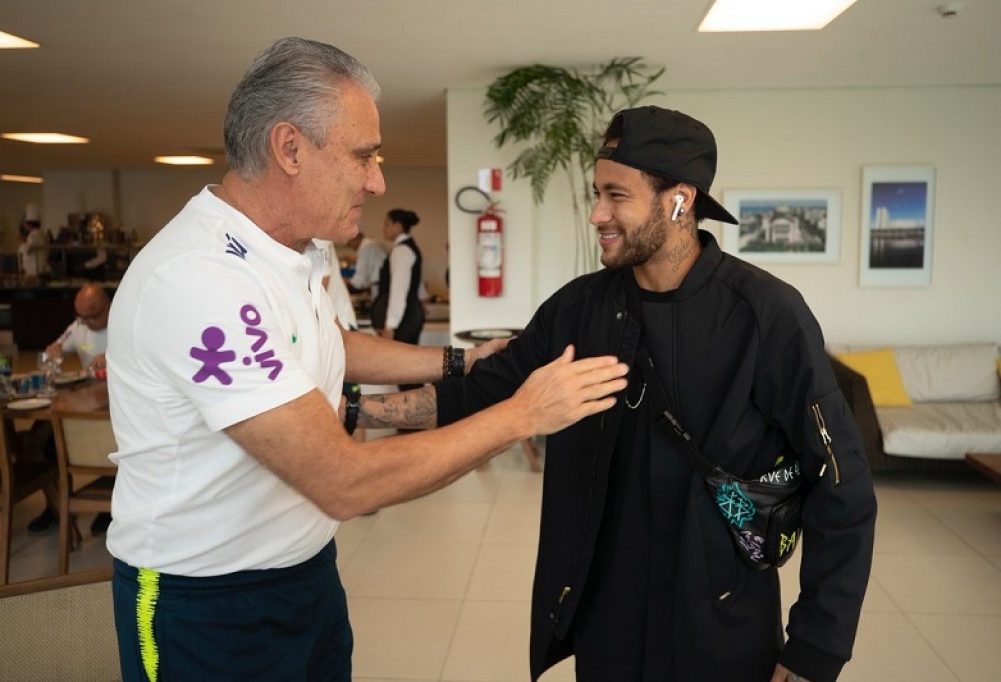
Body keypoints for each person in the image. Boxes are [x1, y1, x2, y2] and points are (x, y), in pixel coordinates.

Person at [105, 37, 627, 682]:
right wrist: (523, 415)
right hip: (207, 599)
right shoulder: (199, 280)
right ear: (289, 148)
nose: (378, 181)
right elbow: (345, 481)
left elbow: (328, 343)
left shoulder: (297, 250)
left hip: (306, 568)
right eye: (363, 156)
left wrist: (459, 361)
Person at [360, 106, 878, 681]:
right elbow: (480, 396)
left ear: (680, 200)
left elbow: (841, 483)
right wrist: (357, 409)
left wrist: (815, 649)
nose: (596, 214)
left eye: (615, 195)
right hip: (607, 619)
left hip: (721, 621)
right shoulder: (578, 309)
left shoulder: (765, 315)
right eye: (595, 193)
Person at [26, 284, 113, 536]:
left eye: (93, 315)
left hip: (115, 406)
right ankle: (54, 506)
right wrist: (52, 353)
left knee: (107, 445)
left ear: (108, 307)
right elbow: (51, 352)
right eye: (81, 316)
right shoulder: (79, 327)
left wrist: (114, 355)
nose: (87, 322)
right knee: (40, 439)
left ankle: (109, 508)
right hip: (85, 403)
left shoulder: (125, 323)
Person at [370, 208, 424, 391]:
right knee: (409, 372)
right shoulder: (409, 247)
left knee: (407, 373)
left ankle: (419, 417)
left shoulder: (401, 251)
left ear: (397, 226)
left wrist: (390, 326)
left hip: (404, 320)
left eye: (387, 224)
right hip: (409, 316)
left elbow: (398, 290)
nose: (383, 228)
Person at [344, 229, 387, 297]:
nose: (350, 247)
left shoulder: (365, 248)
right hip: (381, 285)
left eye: (349, 244)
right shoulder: (370, 244)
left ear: (355, 238)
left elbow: (359, 280)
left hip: (379, 287)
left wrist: (345, 281)